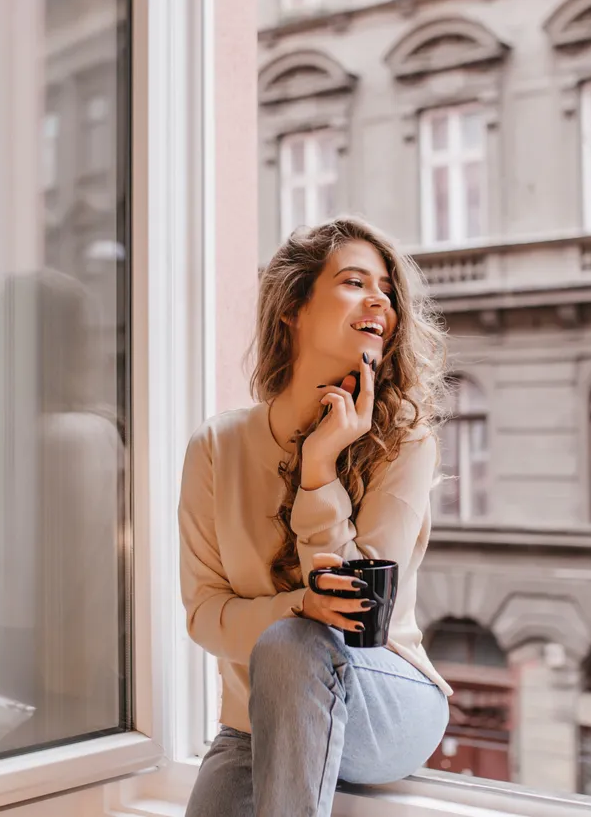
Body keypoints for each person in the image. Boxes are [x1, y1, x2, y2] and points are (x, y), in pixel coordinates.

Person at [180, 217, 454, 816]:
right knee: (289, 640)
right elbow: (204, 615)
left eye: (387, 290)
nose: (379, 300)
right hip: (253, 721)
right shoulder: (216, 447)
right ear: (292, 309)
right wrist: (300, 605)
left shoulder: (405, 442)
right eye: (354, 282)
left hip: (384, 699)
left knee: (292, 643)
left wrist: (319, 468)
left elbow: (359, 614)